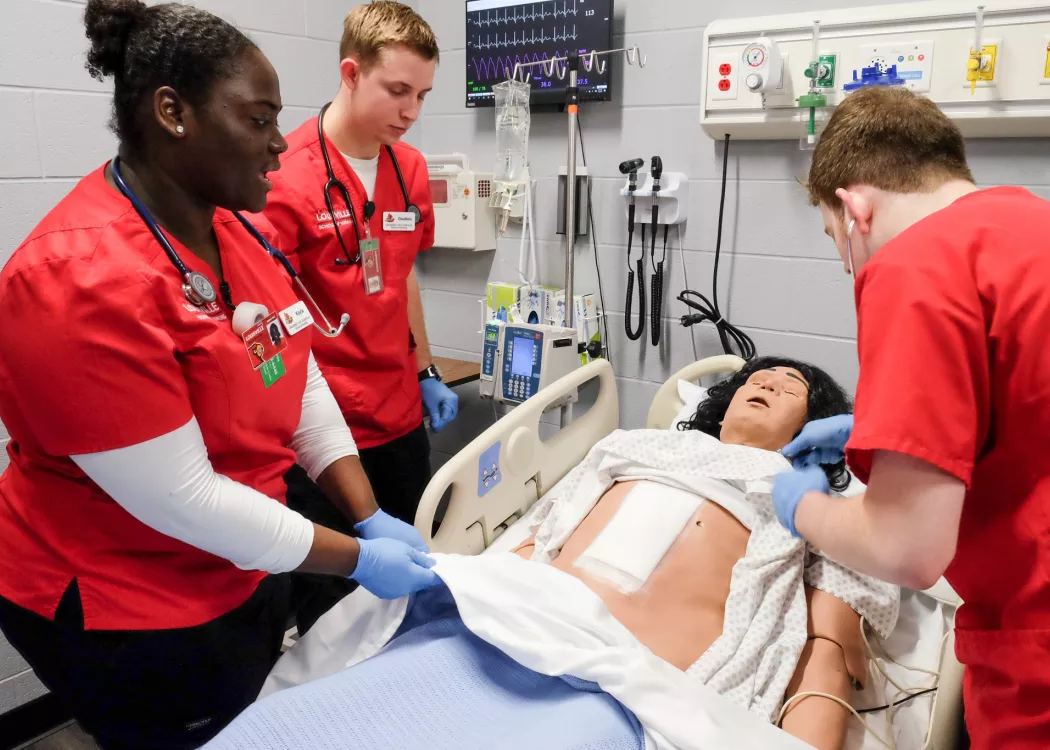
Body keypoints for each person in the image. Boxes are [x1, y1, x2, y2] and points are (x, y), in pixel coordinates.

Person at [0, 2, 436, 748]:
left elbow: (298, 379)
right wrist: (360, 558)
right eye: (259, 119)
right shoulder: (78, 279)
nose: (277, 145)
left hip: (235, 570)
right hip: (128, 601)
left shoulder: (236, 230)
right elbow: (188, 502)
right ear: (173, 113)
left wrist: (364, 511)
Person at [203, 357, 897, 750]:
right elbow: (539, 530)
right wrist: (475, 587)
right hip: (516, 624)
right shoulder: (635, 445)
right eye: (759, 375)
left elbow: (827, 650)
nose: (771, 381)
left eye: (793, 388)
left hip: (626, 680)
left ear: (817, 427)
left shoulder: (816, 500)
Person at [769, 85, 1050, 749]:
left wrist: (801, 507)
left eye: (837, 240)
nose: (849, 263)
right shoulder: (1028, 226)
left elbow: (906, 548)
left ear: (853, 207)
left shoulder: (916, 265)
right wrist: (875, 431)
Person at [259, 1, 456, 630]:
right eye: (397, 91)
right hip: (323, 432)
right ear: (350, 73)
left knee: (407, 588)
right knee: (331, 610)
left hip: (398, 412)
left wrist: (425, 368)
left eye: (422, 95)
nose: (411, 112)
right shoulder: (281, 178)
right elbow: (273, 325)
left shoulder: (411, 168)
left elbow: (401, 279)